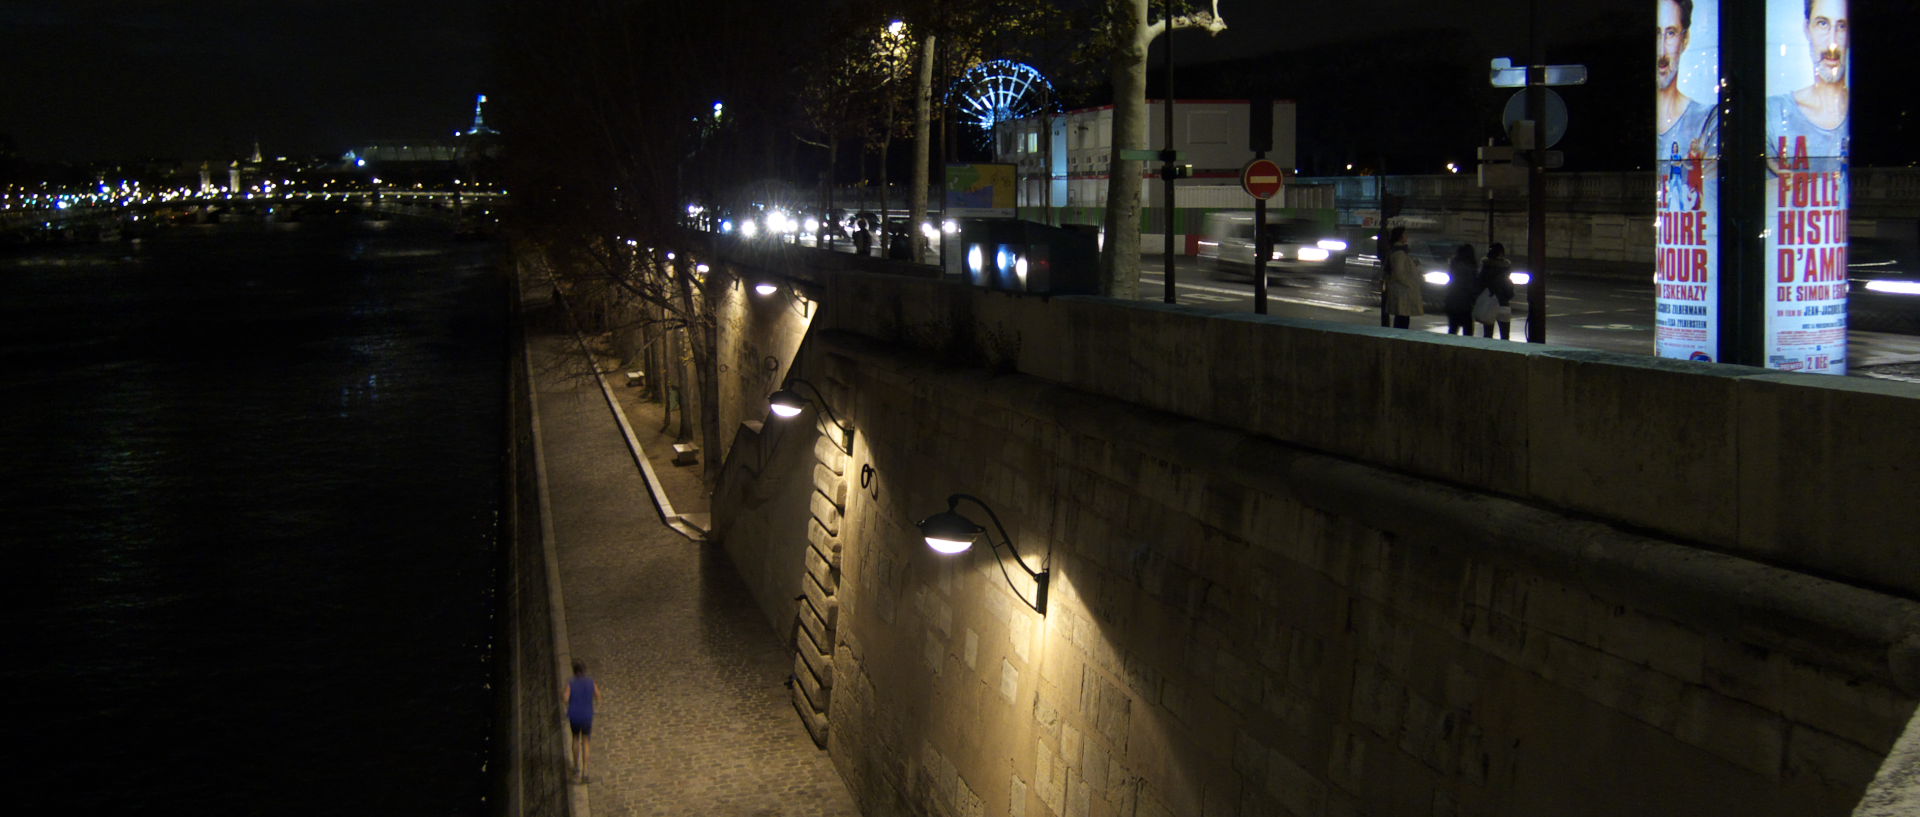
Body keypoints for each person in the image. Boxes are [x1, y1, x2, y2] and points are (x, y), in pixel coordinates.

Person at [1766, 0, 1848, 174]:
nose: (1831, 43)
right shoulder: (1772, 114)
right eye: (1823, 24)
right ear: (1807, 29)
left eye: (1842, 26)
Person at [1656, 0, 1718, 211]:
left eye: (1671, 33)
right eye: (1656, 33)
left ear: (1685, 39)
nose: (1662, 51)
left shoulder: (1708, 120)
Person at [564, 659, 599, 783]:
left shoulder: (571, 683)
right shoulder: (591, 682)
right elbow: (598, 696)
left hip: (574, 715)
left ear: (574, 671)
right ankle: (585, 772)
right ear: (584, 670)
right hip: (586, 716)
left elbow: (565, 698)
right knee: (586, 742)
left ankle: (575, 767)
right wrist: (596, 707)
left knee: (575, 739)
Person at [1382, 226, 1423, 329]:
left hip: (1402, 291)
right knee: (1402, 319)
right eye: (1405, 234)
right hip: (1402, 292)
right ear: (1400, 237)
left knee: (1402, 318)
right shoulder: (1399, 253)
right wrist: (1410, 284)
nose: (1407, 236)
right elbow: (1398, 273)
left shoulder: (1399, 252)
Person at [1477, 243, 1517, 340]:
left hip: (1489, 304)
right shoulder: (1506, 269)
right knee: (1505, 336)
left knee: (1487, 335)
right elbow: (1510, 292)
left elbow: (1479, 285)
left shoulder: (1485, 268)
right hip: (1504, 305)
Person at [1443, 243, 1480, 335]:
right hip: (1465, 303)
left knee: (1453, 328)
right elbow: (1472, 285)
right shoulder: (1471, 268)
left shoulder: (1454, 265)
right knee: (1467, 330)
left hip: (1452, 300)